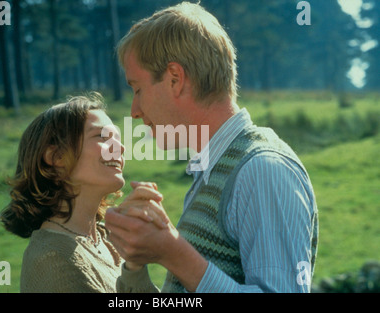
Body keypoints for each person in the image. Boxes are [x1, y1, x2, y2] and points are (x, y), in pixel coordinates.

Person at [105, 2, 319, 293]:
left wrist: (174, 253)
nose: (134, 110)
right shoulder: (213, 170)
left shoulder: (262, 169)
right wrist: (136, 262)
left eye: (137, 89)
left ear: (175, 79)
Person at [0, 93, 161, 292]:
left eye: (118, 139)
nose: (120, 148)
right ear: (57, 157)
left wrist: (135, 263)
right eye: (101, 136)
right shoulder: (52, 261)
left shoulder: (108, 240)